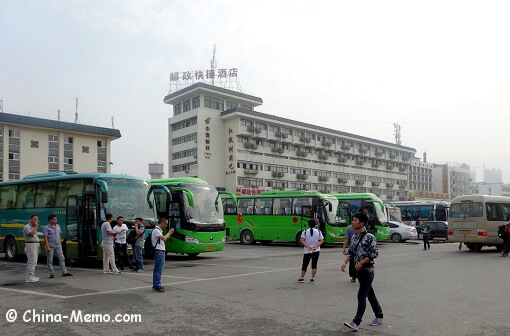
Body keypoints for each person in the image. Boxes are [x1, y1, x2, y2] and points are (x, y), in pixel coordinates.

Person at [341, 212, 383, 331]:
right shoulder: (354, 237)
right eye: (352, 220)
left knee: (361, 295)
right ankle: (379, 315)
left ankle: (356, 322)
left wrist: (361, 262)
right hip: (358, 271)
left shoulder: (370, 237)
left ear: (362, 223)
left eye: (355, 220)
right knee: (370, 294)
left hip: (367, 271)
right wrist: (344, 262)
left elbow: (374, 254)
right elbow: (352, 252)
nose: (352, 222)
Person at [43, 214, 72, 278]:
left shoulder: (58, 226)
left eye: (56, 219)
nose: (56, 220)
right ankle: (51, 273)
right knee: (50, 260)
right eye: (54, 219)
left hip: (58, 245)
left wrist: (59, 241)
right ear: (50, 220)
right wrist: (47, 246)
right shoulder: (46, 228)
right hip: (50, 246)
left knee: (62, 258)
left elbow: (59, 234)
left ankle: (64, 272)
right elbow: (45, 238)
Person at [297, 219, 324, 284]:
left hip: (307, 251)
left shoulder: (305, 231)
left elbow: (301, 240)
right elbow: (322, 240)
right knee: (314, 264)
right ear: (315, 225)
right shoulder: (319, 232)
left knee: (305, 264)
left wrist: (307, 246)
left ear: (308, 224)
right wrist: (316, 246)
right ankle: (312, 278)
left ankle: (302, 277)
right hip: (316, 250)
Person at [152, 218, 174, 292]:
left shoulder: (158, 230)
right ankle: (157, 285)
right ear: (162, 222)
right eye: (166, 223)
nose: (166, 225)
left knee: (157, 268)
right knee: (159, 269)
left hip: (159, 250)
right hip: (159, 251)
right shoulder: (156, 230)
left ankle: (156, 283)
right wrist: (169, 233)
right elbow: (164, 238)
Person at [24, 215, 40, 283]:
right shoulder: (27, 226)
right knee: (32, 261)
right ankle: (29, 277)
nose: (36, 220)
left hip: (35, 244)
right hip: (31, 245)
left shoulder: (33, 227)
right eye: (34, 219)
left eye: (37, 219)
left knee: (33, 261)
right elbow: (31, 234)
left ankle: (31, 275)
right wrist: (36, 226)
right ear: (31, 219)